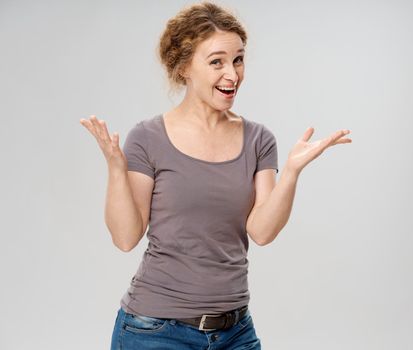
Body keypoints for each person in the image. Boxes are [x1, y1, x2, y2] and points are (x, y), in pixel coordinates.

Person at [80, 2, 351, 349]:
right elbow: (125, 237)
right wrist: (116, 170)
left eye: (238, 59)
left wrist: (293, 173)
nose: (233, 74)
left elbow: (262, 231)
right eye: (217, 62)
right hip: (155, 332)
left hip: (235, 332)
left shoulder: (258, 139)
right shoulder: (148, 138)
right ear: (184, 68)